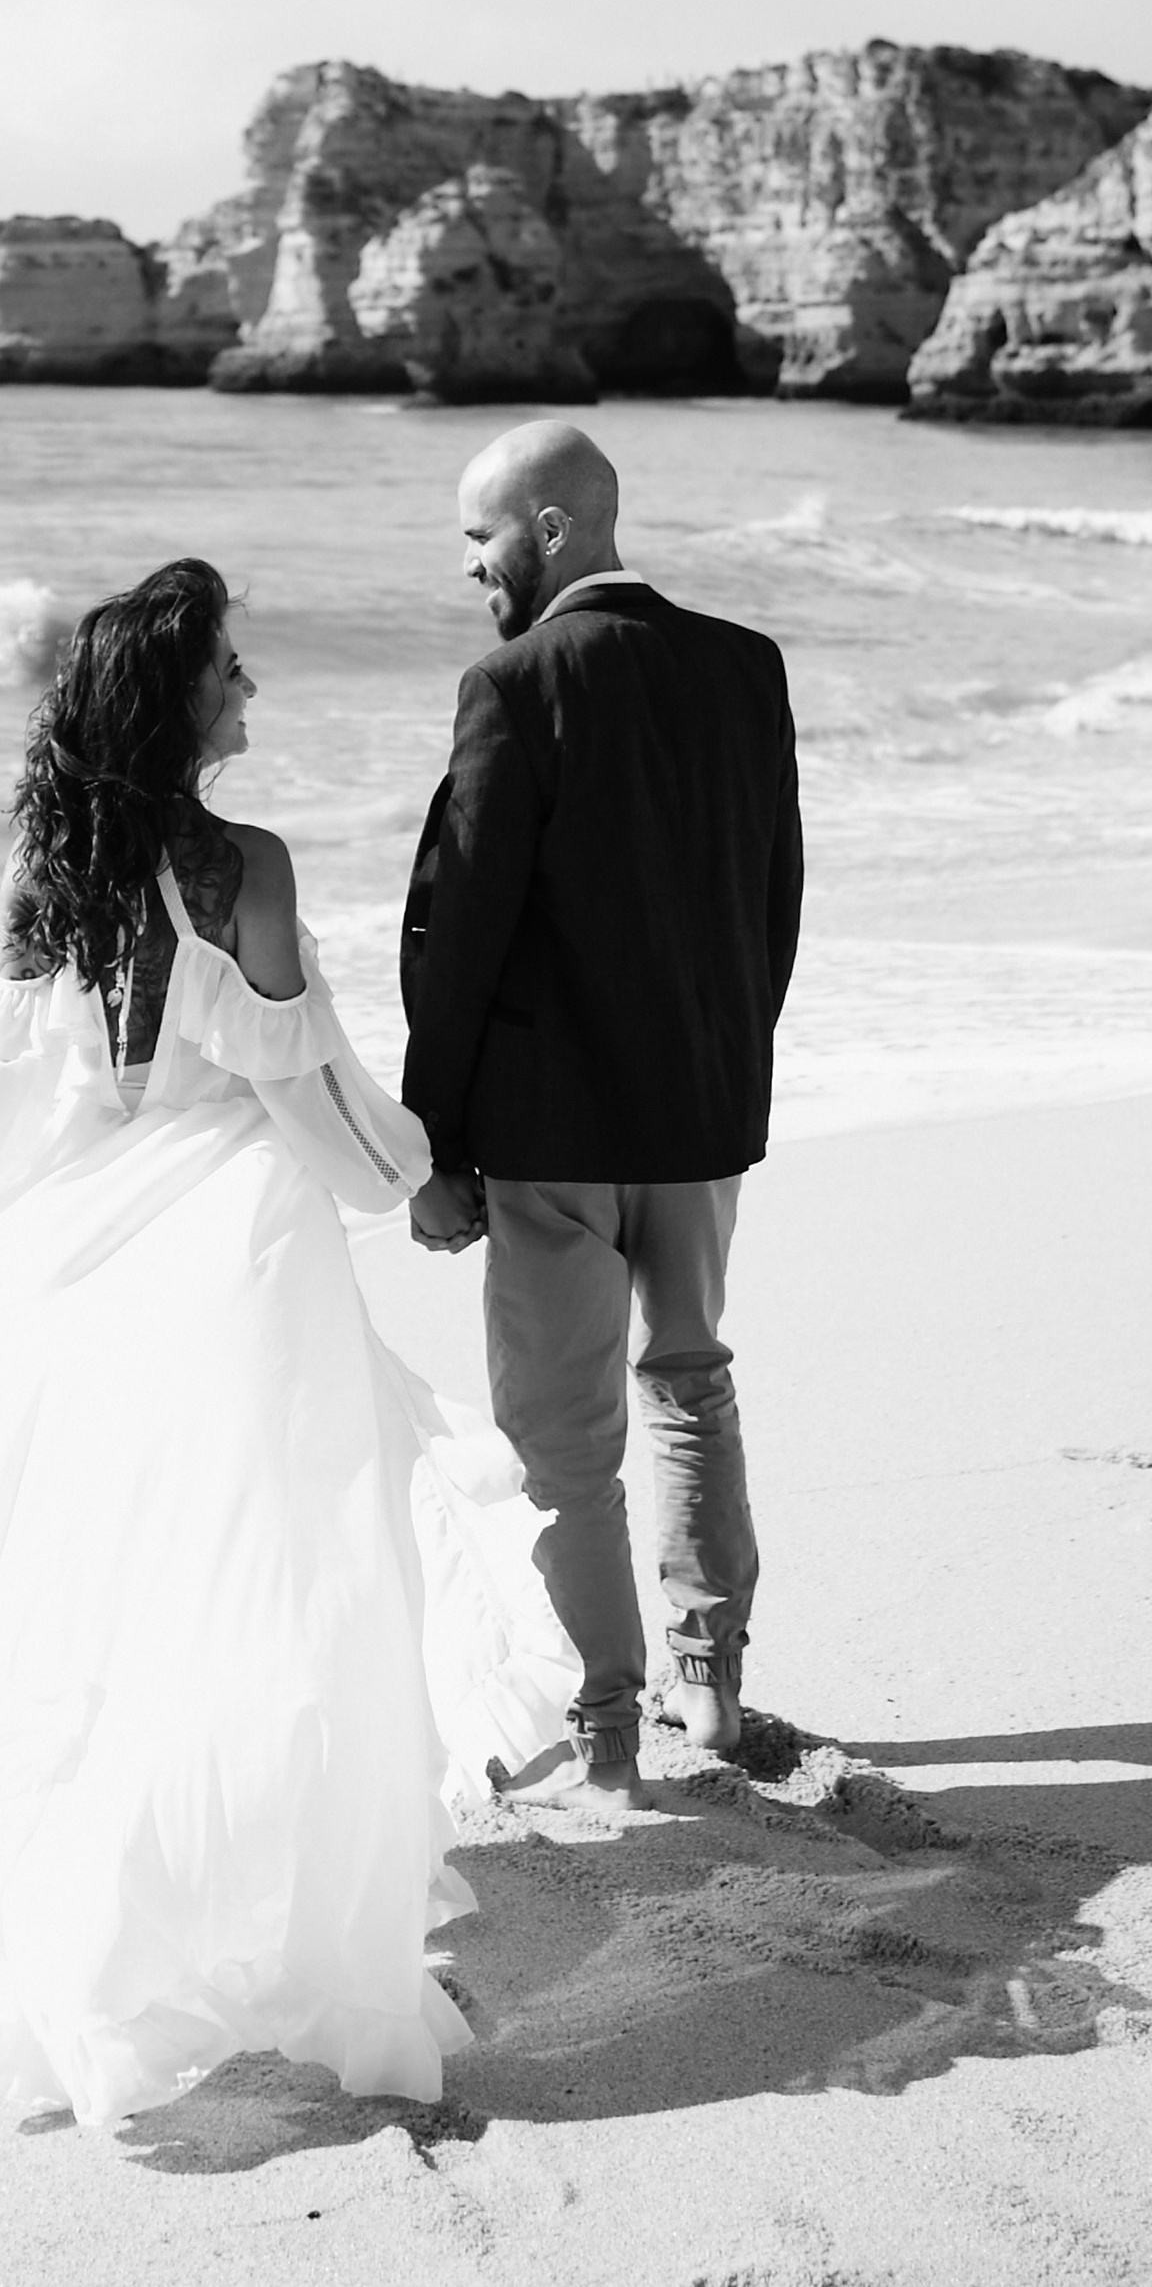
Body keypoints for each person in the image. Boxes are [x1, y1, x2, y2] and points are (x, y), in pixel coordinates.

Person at [0, 558, 569, 2131]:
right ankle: (289, 1924)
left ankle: (117, 1946)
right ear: (177, 702)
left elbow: (5, 1085)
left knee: (112, 1600)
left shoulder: (52, 871)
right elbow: (298, 1077)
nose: (250, 688)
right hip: (235, 1238)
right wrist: (409, 1178)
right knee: (285, 1585)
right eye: (230, 670)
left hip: (83, 1243)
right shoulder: (248, 863)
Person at [401, 421, 803, 1800]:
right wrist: (727, 1063)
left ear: (555, 527)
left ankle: (607, 1724)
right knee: (692, 1379)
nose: (471, 566)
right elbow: (774, 900)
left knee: (564, 1444)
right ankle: (714, 1681)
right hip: (698, 1117)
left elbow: (463, 930)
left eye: (481, 535)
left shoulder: (512, 684)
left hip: (551, 1133)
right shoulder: (748, 669)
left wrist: (433, 1140)